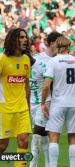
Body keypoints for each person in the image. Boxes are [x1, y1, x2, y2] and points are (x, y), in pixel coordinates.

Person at [41, 36, 75, 167]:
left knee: (54, 137)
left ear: (57, 46)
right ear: (69, 46)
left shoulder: (53, 61)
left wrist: (43, 103)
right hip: (74, 104)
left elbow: (46, 86)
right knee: (73, 138)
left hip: (58, 103)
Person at [29, 31, 62, 167]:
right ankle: (49, 164)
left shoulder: (60, 60)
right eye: (58, 43)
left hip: (47, 103)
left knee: (37, 135)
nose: (61, 46)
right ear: (50, 43)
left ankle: (33, 165)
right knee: (43, 137)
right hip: (32, 103)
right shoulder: (37, 58)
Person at [0, 28, 32, 167]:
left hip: (22, 108)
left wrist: (28, 107)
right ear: (13, 40)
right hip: (5, 109)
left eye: (25, 37)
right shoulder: (2, 59)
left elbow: (26, 85)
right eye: (21, 37)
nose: (25, 40)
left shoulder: (26, 60)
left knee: (24, 140)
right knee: (2, 145)